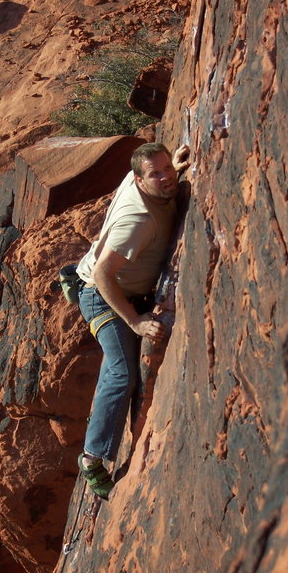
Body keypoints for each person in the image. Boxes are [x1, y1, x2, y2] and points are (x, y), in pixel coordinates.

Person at [76, 142, 190, 499]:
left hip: (124, 288)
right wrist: (136, 322)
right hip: (103, 296)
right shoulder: (137, 220)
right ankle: (92, 459)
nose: (166, 176)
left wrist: (174, 170)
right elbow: (104, 275)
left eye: (167, 168)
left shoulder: (144, 178)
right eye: (155, 174)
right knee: (122, 370)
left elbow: (157, 171)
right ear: (140, 181)